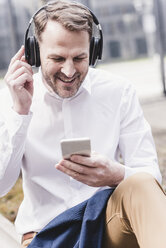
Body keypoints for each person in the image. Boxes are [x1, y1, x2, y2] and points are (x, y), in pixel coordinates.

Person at [1, 0, 166, 247]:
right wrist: (20, 113)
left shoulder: (118, 92)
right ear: (34, 52)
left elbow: (150, 176)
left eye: (79, 58)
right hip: (46, 235)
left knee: (140, 182)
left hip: (107, 225)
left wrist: (116, 174)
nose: (69, 71)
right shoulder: (13, 99)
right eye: (57, 58)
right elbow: (2, 186)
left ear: (94, 50)